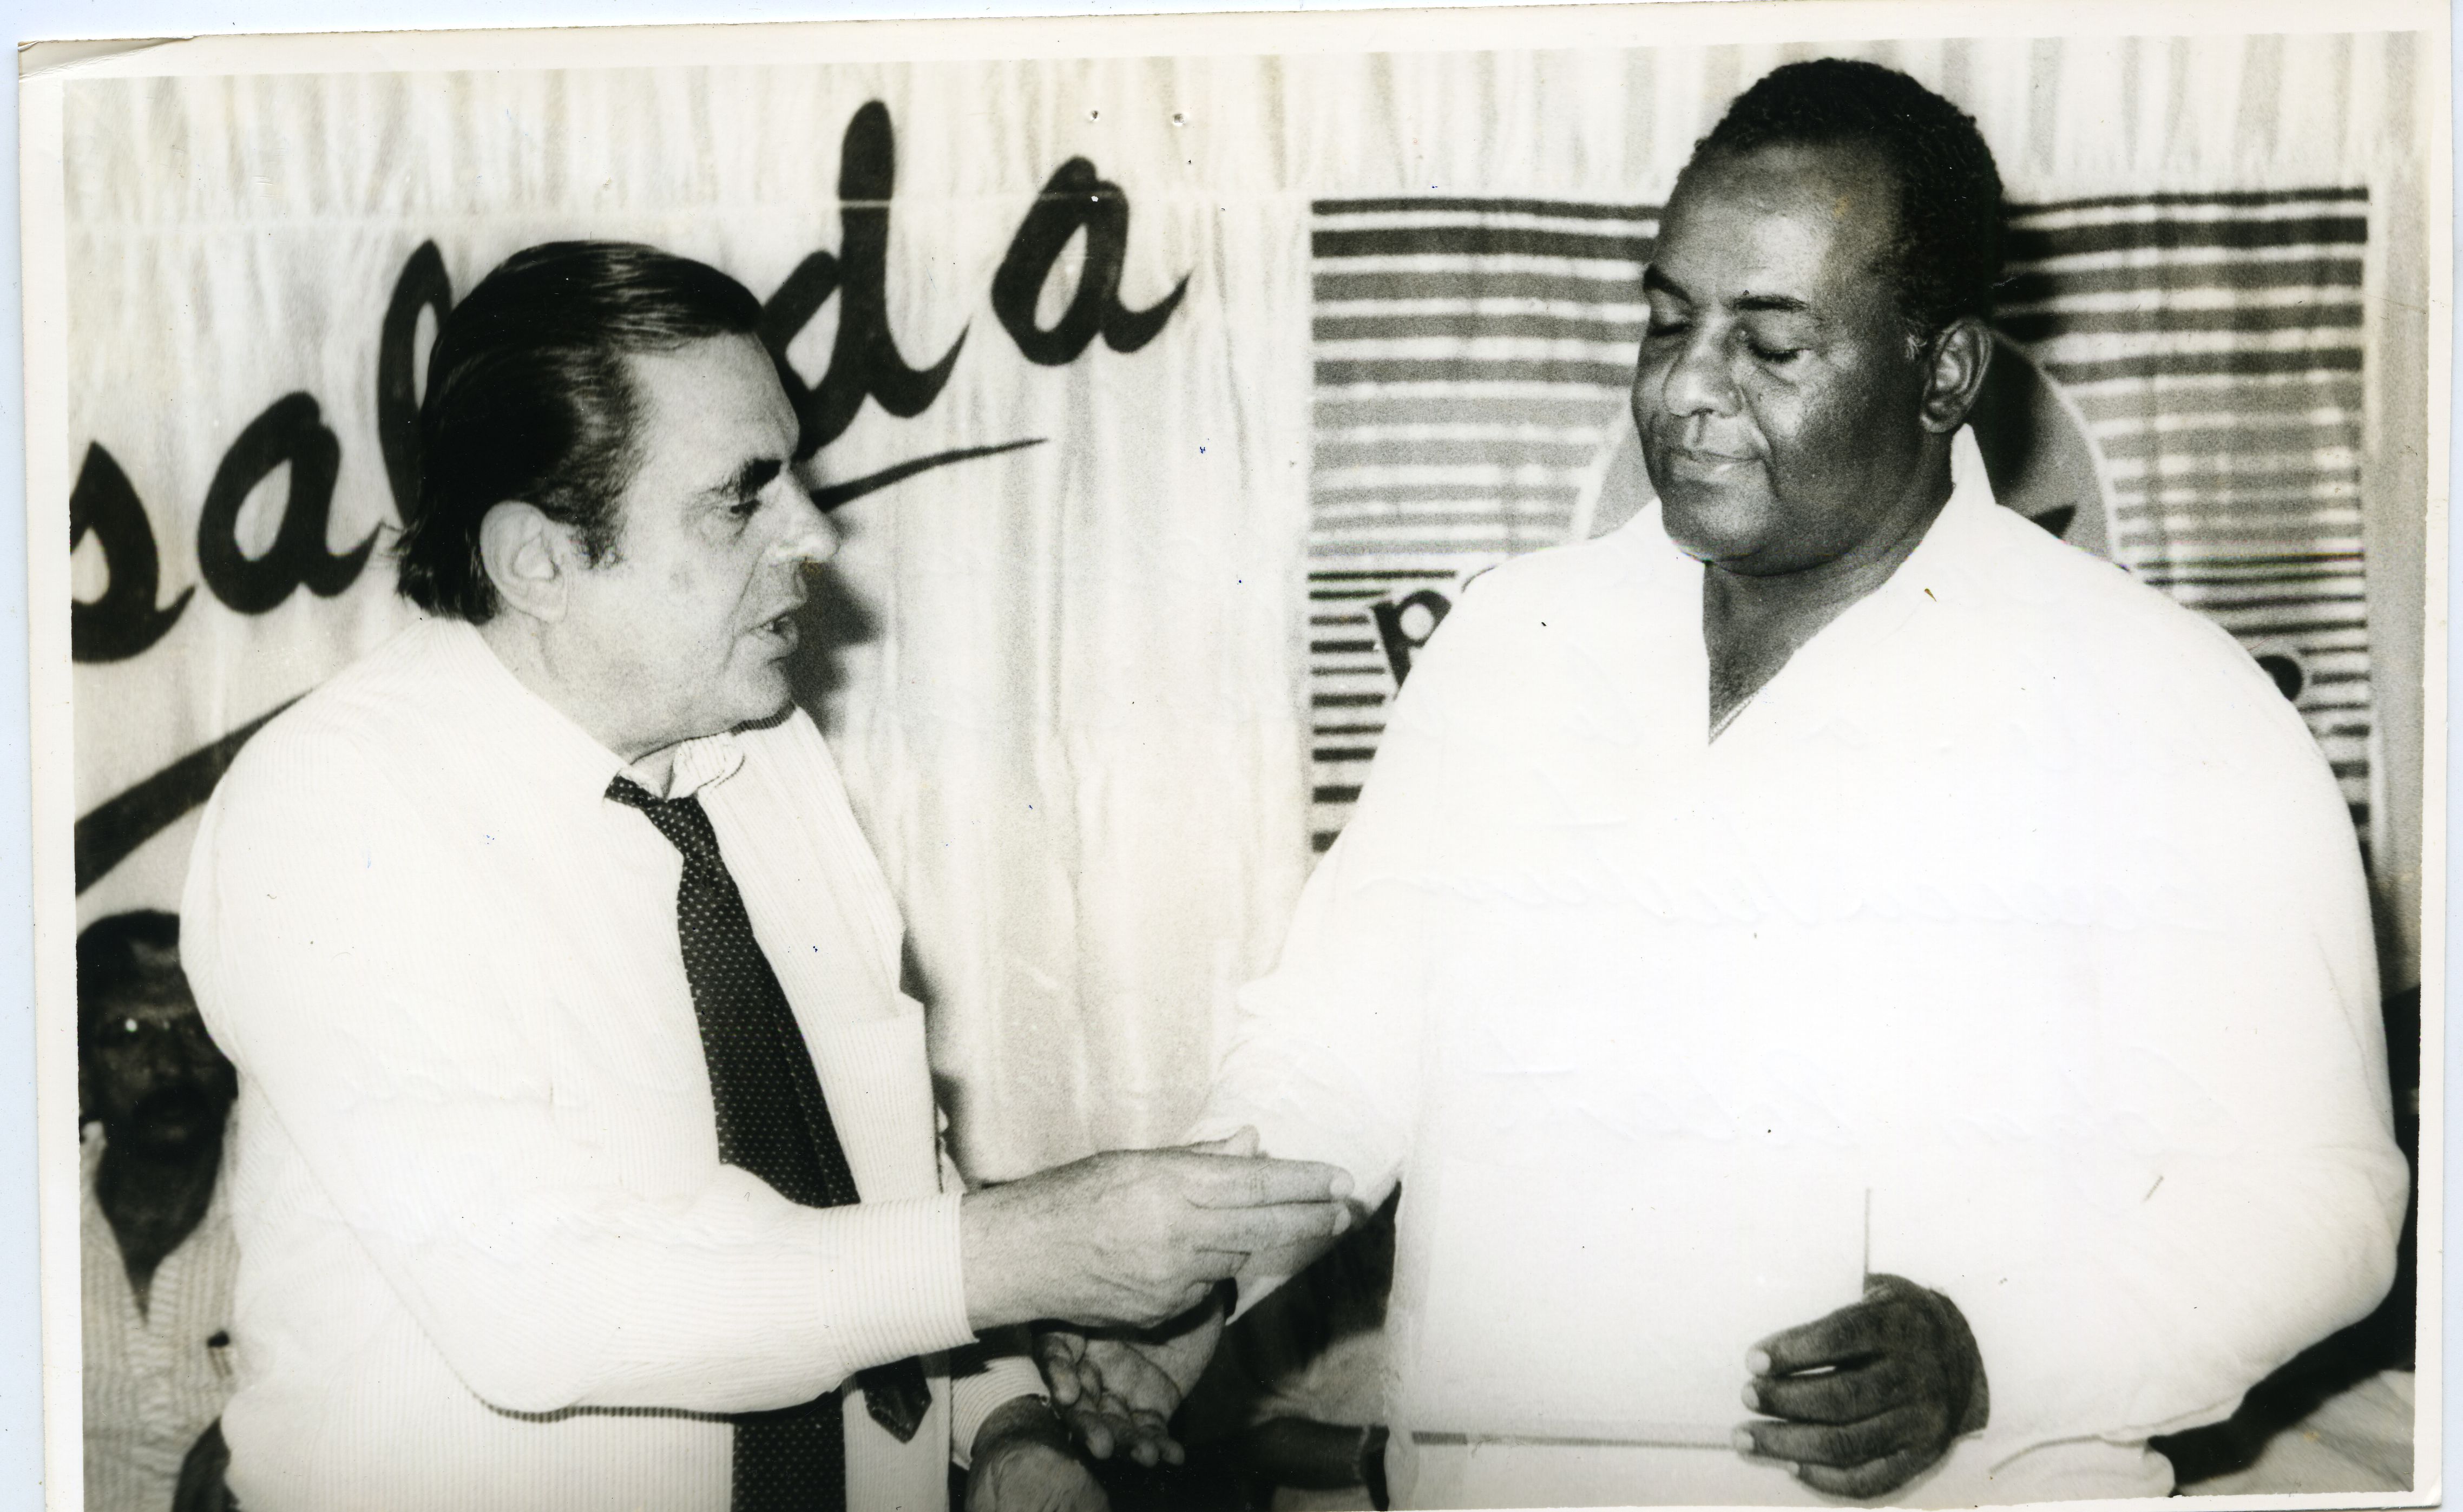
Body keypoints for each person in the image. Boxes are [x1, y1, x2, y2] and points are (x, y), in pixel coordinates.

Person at [1043, 58, 2409, 1507]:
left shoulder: (2168, 708)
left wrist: (1984, 1353)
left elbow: (2317, 1196)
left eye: (1769, 342)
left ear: (1942, 373)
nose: (1685, 388)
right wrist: (1191, 1285)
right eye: (1666, 321)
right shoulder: (1511, 644)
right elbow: (1338, 1054)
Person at [180, 241, 1353, 1512]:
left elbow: (876, 1166)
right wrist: (1014, 1257)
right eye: (740, 498)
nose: (815, 531)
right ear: (539, 562)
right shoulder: (335, 807)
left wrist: (1005, 1418)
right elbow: (537, 1299)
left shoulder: (765, 750)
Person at [78, 912, 240, 1512]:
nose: (169, 1064)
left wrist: (251, 1432)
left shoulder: (298, 1210)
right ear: (78, 1070)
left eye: (196, 1027)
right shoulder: (27, 1226)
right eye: (126, 1032)